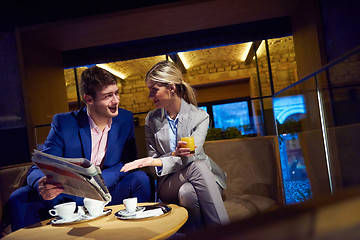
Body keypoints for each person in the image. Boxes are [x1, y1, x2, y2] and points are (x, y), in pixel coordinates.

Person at [5, 66, 152, 231]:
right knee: (19, 197)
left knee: (140, 179)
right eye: (108, 96)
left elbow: (128, 162)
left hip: (108, 189)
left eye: (116, 93)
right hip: (69, 192)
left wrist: (100, 180)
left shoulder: (125, 118)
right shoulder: (64, 123)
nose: (116, 100)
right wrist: (41, 184)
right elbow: (39, 166)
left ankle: (138, 232)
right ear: (88, 99)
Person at [121, 60, 230, 232]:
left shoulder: (200, 117)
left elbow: (190, 156)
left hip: (202, 178)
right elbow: (155, 166)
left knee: (188, 192)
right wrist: (165, 159)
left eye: (154, 90)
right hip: (169, 182)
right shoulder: (151, 119)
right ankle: (226, 234)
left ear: (171, 88)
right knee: (198, 166)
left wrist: (158, 161)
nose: (150, 96)